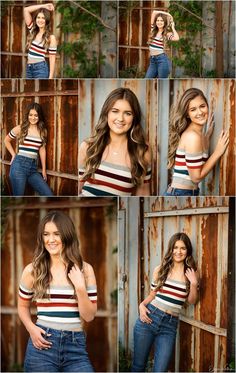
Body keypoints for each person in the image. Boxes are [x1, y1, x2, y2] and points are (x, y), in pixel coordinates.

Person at [18, 210, 97, 372]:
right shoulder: (32, 270)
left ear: (67, 235)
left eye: (57, 234)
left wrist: (80, 288)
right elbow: (22, 306)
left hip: (75, 349)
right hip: (42, 346)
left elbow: (89, 316)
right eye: (46, 234)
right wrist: (31, 328)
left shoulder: (85, 269)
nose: (51, 240)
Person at [132, 232, 199, 372]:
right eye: (175, 247)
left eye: (183, 248)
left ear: (188, 251)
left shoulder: (192, 273)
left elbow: (192, 301)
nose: (178, 252)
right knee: (138, 366)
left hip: (169, 325)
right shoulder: (160, 269)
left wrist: (193, 284)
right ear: (171, 249)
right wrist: (141, 305)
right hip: (149, 318)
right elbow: (152, 295)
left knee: (160, 370)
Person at [79, 87, 152, 196]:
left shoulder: (142, 150)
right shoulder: (88, 146)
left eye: (127, 113)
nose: (120, 118)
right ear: (106, 113)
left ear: (134, 117)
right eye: (115, 111)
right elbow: (79, 188)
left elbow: (143, 192)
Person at [164, 88, 229, 196]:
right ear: (187, 114)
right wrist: (218, 152)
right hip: (181, 193)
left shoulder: (199, 135)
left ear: (207, 106)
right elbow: (196, 177)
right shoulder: (192, 137)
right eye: (193, 109)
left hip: (184, 192)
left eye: (202, 106)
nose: (199, 112)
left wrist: (207, 136)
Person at [4, 102, 53, 196]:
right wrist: (14, 154)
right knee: (18, 197)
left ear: (39, 116)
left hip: (33, 168)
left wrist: (43, 169)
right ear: (27, 115)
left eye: (36, 115)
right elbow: (6, 140)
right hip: (19, 166)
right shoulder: (20, 128)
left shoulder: (42, 131)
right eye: (31, 115)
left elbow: (42, 149)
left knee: (49, 194)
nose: (33, 118)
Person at [24, 3, 57, 79]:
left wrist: (50, 77)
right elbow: (26, 10)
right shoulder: (33, 31)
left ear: (47, 20)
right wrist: (43, 6)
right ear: (36, 19)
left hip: (40, 70)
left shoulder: (51, 37)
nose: (40, 20)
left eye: (43, 18)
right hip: (29, 69)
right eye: (38, 17)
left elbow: (52, 58)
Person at [145, 10, 179, 78]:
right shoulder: (153, 30)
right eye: (158, 20)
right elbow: (154, 12)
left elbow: (177, 38)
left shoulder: (166, 34)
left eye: (161, 20)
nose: (159, 22)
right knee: (147, 79)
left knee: (162, 81)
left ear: (165, 22)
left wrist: (173, 27)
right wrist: (167, 14)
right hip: (152, 60)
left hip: (162, 60)